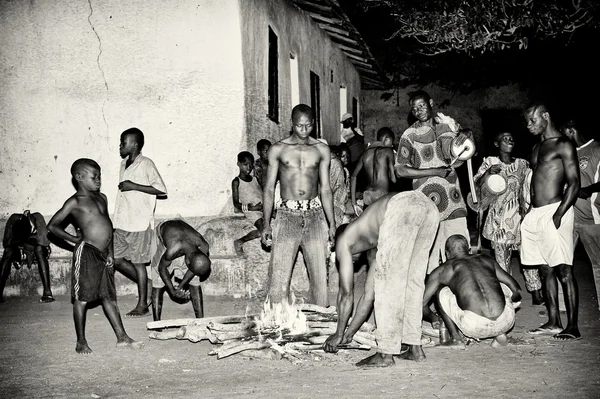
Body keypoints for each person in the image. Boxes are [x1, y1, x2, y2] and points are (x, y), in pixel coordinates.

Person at [324, 191, 439, 367]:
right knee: (412, 284)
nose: (351, 260)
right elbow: (368, 296)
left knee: (388, 287)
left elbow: (346, 294)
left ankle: (386, 354)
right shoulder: (377, 237)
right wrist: (348, 335)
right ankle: (415, 348)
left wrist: (338, 333)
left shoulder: (344, 240)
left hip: (401, 207)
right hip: (428, 207)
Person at [47, 158, 144, 354]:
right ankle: (81, 341)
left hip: (103, 254)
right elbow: (52, 226)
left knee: (108, 296)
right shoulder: (75, 202)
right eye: (94, 177)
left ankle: (122, 337)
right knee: (82, 298)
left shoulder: (102, 198)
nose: (99, 180)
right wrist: (75, 240)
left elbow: (108, 226)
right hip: (86, 253)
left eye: (100, 176)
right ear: (79, 177)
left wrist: (110, 253)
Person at [261, 104, 336, 307]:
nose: (304, 131)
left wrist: (332, 224)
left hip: (314, 215)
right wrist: (267, 223)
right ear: (292, 124)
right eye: (299, 126)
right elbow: (268, 189)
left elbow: (326, 189)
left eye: (308, 126)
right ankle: (277, 328)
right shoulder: (279, 149)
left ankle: (320, 326)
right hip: (286, 216)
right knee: (279, 278)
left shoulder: (321, 150)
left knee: (320, 280)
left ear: (314, 124)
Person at [521, 102, 581, 341]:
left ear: (545, 116)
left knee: (564, 269)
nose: (529, 126)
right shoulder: (537, 147)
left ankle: (573, 326)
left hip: (556, 210)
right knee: (545, 270)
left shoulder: (563, 144)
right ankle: (553, 322)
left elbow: (574, 183)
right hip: (536, 213)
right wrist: (528, 211)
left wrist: (559, 214)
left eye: (533, 120)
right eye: (526, 122)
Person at [395, 90, 471, 273]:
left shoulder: (447, 125)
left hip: (453, 201)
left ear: (430, 102)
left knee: (460, 252)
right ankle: (430, 297)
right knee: (428, 258)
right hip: (427, 204)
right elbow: (400, 170)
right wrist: (434, 171)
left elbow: (463, 154)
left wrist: (465, 134)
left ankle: (456, 296)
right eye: (414, 109)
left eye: (421, 105)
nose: (418, 110)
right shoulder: (410, 135)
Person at [473, 132, 543, 305]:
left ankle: (536, 292)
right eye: (505, 138)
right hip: (498, 221)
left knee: (529, 257)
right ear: (497, 144)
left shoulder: (522, 164)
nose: (510, 140)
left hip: (521, 218)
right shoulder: (489, 162)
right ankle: (509, 294)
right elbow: (475, 188)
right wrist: (487, 173)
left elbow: (531, 186)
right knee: (502, 261)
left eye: (512, 138)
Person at [423, 235, 522, 349]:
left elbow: (422, 304)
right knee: (499, 284)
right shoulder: (487, 259)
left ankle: (456, 338)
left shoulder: (442, 270)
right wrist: (508, 303)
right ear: (469, 250)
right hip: (507, 321)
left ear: (447, 254)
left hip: (474, 326)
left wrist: (433, 318)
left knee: (440, 290)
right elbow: (517, 290)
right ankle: (499, 331)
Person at [113, 127, 167, 317]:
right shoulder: (123, 163)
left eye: (123, 142)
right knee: (116, 260)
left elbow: (161, 190)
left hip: (139, 222)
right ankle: (149, 284)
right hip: (121, 221)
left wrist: (134, 186)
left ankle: (142, 304)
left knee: (138, 264)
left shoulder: (146, 164)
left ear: (135, 144)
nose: (120, 145)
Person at [562, 117, 600, 311]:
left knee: (598, 265)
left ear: (571, 130)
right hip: (569, 216)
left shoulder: (596, 149)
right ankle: (562, 311)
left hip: (591, 218)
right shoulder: (567, 153)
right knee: (561, 262)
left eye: (564, 133)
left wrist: (590, 189)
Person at [150, 219, 211, 321]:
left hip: (182, 234)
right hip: (163, 232)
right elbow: (162, 268)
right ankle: (156, 323)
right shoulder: (173, 249)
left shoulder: (204, 246)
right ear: (187, 262)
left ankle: (200, 321)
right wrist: (172, 290)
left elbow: (194, 270)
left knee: (195, 277)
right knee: (158, 279)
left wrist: (181, 286)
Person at [0, 210, 54, 303]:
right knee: (8, 251)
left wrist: (28, 245)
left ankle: (47, 292)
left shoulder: (38, 218)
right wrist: (21, 246)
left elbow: (44, 242)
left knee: (39, 249)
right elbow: (6, 243)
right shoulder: (13, 219)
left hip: (36, 247)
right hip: (19, 247)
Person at [351, 127, 397, 215]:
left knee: (369, 226)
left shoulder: (366, 153)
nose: (391, 145)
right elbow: (393, 179)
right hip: (382, 195)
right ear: (386, 139)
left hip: (368, 195)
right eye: (391, 142)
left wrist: (354, 203)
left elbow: (353, 176)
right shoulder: (389, 151)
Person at [232, 151, 264, 256]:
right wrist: (252, 208)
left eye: (251, 165)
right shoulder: (237, 181)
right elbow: (236, 204)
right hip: (252, 211)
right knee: (262, 231)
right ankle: (240, 241)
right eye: (245, 165)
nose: (249, 168)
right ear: (239, 164)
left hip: (262, 208)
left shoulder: (254, 179)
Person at [329, 145, 349, 228]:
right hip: (335, 205)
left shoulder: (343, 170)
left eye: (347, 156)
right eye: (343, 156)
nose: (346, 159)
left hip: (339, 204)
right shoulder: (336, 167)